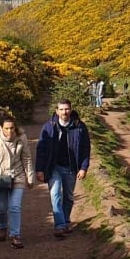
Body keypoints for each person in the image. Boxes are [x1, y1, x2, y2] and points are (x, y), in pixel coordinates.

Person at [34, 97, 91, 240]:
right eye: (61, 109)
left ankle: (65, 221)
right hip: (53, 167)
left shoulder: (79, 126)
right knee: (55, 195)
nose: (64, 112)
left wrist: (83, 167)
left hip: (71, 167)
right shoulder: (49, 127)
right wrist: (39, 169)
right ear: (56, 111)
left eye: (67, 109)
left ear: (71, 110)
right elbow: (41, 149)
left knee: (68, 196)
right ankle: (59, 226)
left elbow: (86, 148)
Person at [0, 111, 35, 249]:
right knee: (2, 207)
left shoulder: (21, 138)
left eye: (12, 128)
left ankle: (15, 236)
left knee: (15, 206)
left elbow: (27, 158)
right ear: (1, 128)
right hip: (0, 177)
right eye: (6, 128)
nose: (9, 131)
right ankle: (3, 227)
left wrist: (30, 177)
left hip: (18, 175)